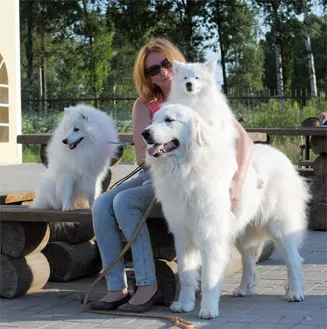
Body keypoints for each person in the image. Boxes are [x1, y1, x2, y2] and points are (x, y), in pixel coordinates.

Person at [88, 38, 253, 313]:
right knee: (101, 204)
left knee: (123, 203)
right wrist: (163, 151)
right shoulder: (144, 105)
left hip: (192, 180)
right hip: (158, 173)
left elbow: (243, 140)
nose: (163, 72)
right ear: (147, 77)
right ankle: (116, 288)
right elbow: (143, 157)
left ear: (175, 63)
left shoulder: (197, 94)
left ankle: (147, 284)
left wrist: (237, 181)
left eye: (166, 64)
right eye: (153, 70)